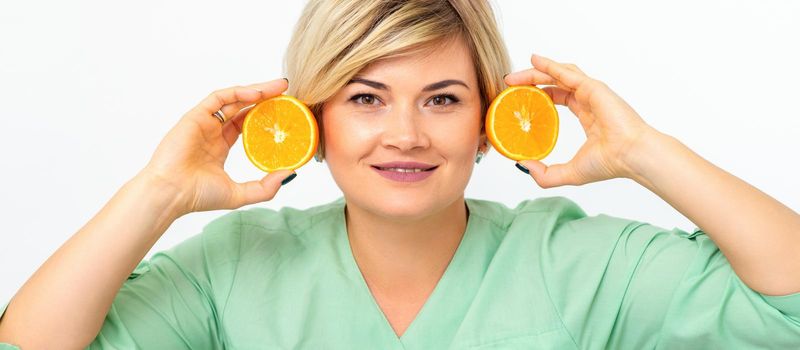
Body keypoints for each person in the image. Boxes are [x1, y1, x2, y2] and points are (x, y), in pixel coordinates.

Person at [1, 0, 799, 348]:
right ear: (314, 118)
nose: (407, 135)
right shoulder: (232, 269)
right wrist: (159, 193)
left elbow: (790, 310)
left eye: (443, 98)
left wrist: (643, 152)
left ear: (491, 116)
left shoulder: (578, 264)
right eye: (367, 97)